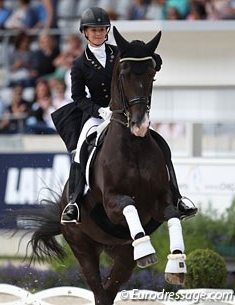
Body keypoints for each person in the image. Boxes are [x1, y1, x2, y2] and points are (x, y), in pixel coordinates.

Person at [58, 7, 197, 224]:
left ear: (107, 31)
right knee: (81, 149)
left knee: (160, 144)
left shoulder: (119, 53)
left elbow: (141, 61)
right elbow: (78, 97)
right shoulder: (79, 64)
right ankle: (74, 202)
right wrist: (99, 111)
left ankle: (177, 198)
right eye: (93, 30)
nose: (98, 34)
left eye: (102, 29)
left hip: (124, 112)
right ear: (85, 32)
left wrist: (152, 57)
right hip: (97, 114)